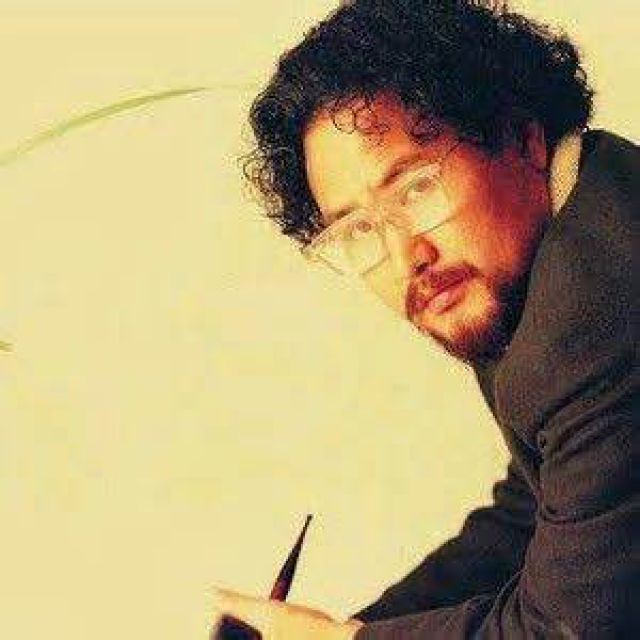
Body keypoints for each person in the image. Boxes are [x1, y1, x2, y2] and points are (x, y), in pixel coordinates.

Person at [213, 1, 638, 637]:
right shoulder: (578, 210)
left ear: (521, 138)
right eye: (358, 230)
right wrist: (352, 627)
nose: (406, 256)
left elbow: (563, 631)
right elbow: (534, 507)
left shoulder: (595, 316)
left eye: (416, 189)